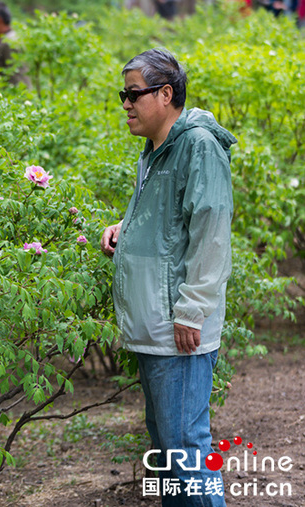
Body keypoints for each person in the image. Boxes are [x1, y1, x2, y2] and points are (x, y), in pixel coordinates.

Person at [101, 49, 235, 507]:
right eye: (123, 94)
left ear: (165, 93)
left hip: (179, 330)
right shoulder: (157, 148)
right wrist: (125, 227)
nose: (125, 104)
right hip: (155, 328)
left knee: (186, 451)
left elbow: (211, 233)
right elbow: (166, 219)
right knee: (168, 453)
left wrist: (192, 311)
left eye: (133, 94)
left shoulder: (198, 145)